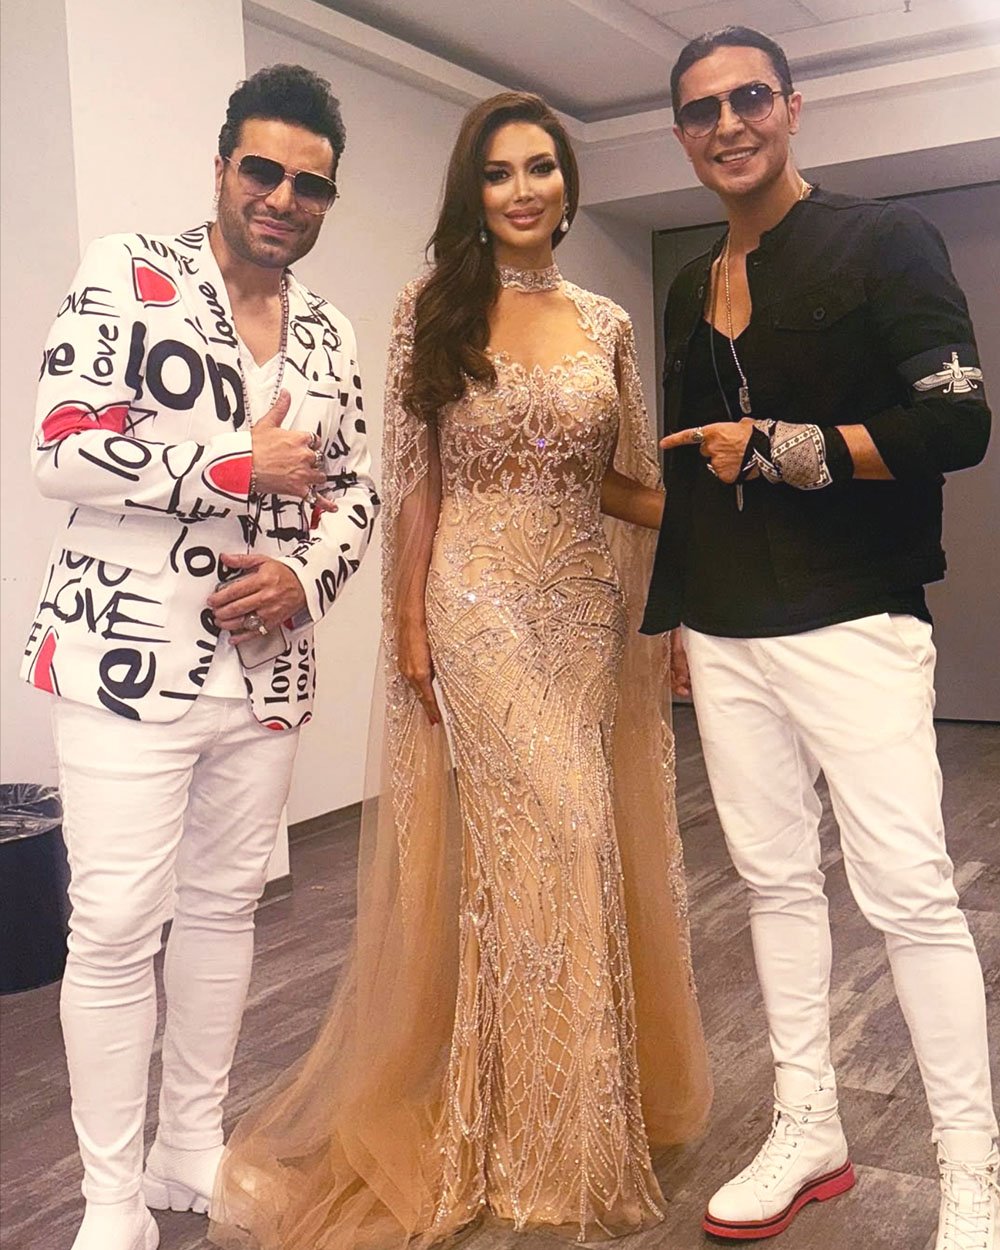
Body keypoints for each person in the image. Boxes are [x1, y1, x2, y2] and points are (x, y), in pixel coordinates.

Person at [210, 91, 711, 1250]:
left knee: (552, 860)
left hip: (583, 613)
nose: (522, 189)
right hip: (477, 608)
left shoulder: (604, 322)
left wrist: (709, 519)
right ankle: (541, 1130)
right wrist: (410, 627)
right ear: (472, 193)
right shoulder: (428, 309)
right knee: (564, 832)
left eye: (540, 167)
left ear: (567, 183)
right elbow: (416, 480)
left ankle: (540, 1114)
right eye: (497, 172)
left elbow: (621, 480)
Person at [642, 24, 997, 1250]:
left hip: (854, 616)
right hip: (725, 626)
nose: (727, 124)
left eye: (748, 97)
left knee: (907, 891)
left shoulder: (883, 239)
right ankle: (810, 1126)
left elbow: (956, 426)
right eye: (702, 110)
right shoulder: (689, 283)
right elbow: (689, 465)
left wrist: (787, 447)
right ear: (681, 135)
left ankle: (971, 1166)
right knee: (772, 880)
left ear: (791, 108)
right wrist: (677, 613)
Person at [21, 64, 379, 1250]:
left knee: (225, 908)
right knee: (116, 925)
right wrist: (232, 465)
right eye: (262, 170)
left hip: (265, 669)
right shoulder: (127, 272)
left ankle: (189, 1146)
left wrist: (304, 579)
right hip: (123, 658)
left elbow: (357, 488)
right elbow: (60, 448)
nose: (283, 197)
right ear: (222, 166)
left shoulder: (328, 330)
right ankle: (110, 1199)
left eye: (309, 184)